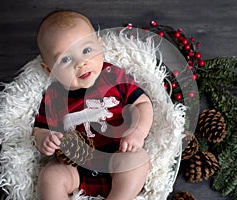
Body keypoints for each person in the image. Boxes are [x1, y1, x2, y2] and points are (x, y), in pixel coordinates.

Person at [33, 10, 153, 200]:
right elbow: (39, 129)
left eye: (86, 50)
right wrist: (45, 139)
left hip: (117, 154)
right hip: (74, 166)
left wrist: (138, 132)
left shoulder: (113, 76)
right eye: (65, 59)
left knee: (138, 161)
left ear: (99, 45)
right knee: (50, 177)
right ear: (50, 70)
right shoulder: (54, 96)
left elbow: (143, 103)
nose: (81, 63)